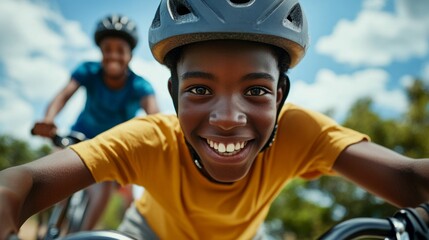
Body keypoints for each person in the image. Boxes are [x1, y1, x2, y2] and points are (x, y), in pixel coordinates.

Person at [1, 0, 429, 239]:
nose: (227, 118)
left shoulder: (300, 132)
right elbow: (28, 183)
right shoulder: (150, 139)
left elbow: (411, 180)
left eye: (257, 91)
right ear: (173, 95)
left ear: (281, 96)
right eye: (200, 90)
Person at [30, 14, 159, 231]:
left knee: (104, 192)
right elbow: (63, 96)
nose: (113, 55)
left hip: (111, 149)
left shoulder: (140, 86)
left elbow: (155, 117)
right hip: (79, 138)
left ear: (130, 55)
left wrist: (154, 144)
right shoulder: (88, 71)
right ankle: (43, 224)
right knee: (49, 174)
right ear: (100, 51)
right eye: (107, 49)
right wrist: (48, 120)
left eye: (120, 50)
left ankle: (80, 235)